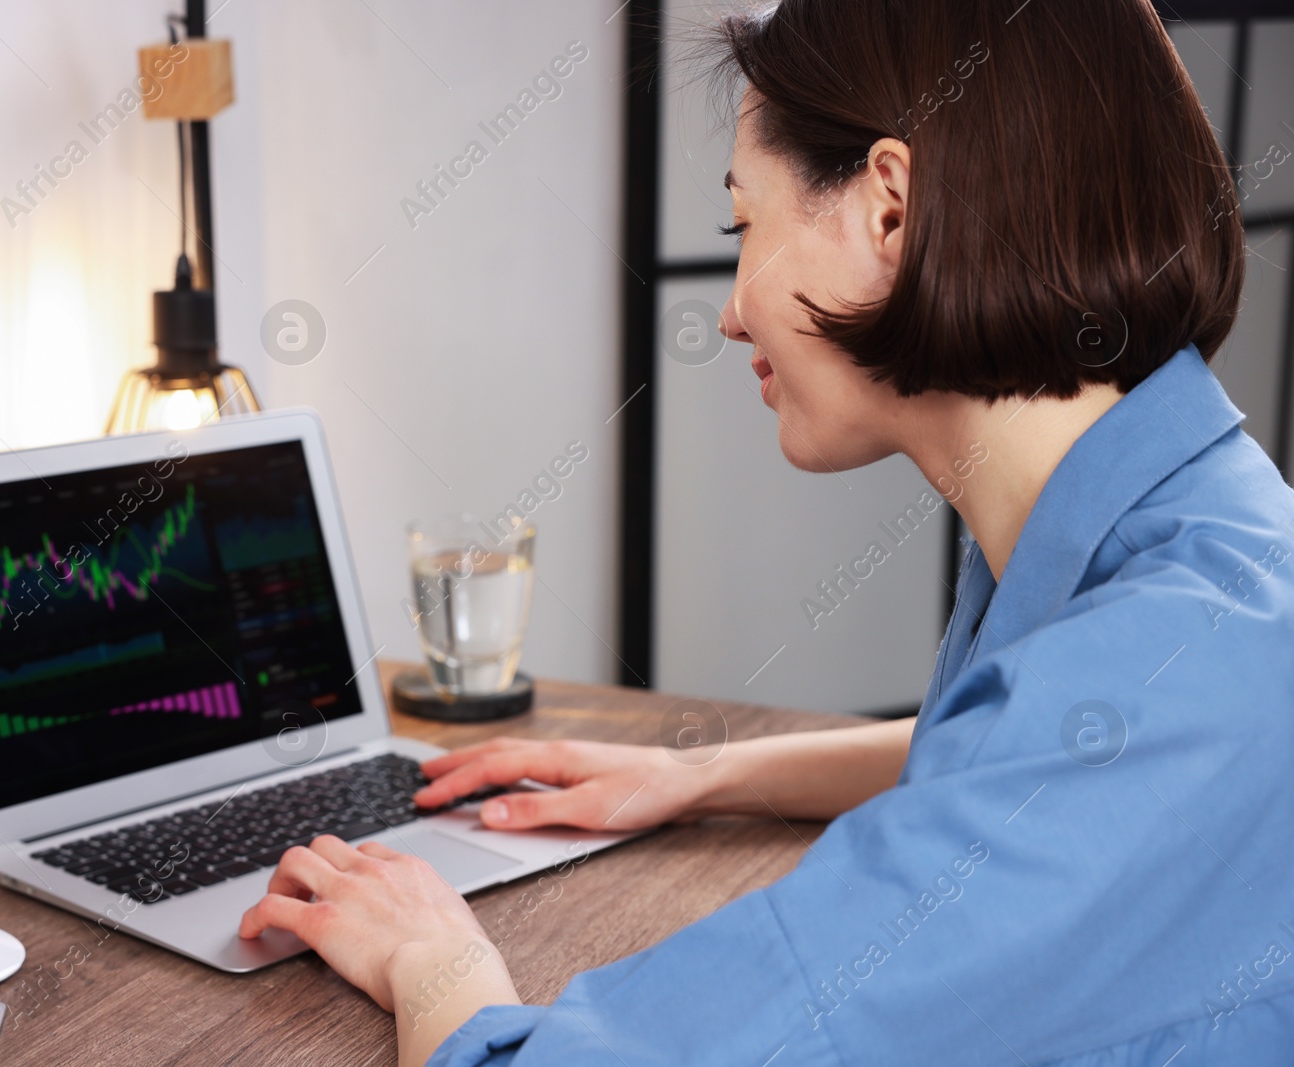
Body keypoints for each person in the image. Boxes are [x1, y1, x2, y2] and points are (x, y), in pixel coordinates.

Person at [239, 0, 1294, 1062]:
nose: (734, 309)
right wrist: (704, 775)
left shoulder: (1168, 679)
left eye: (744, 226)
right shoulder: (1200, 563)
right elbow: (1029, 754)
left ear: (891, 209)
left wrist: (433, 957)